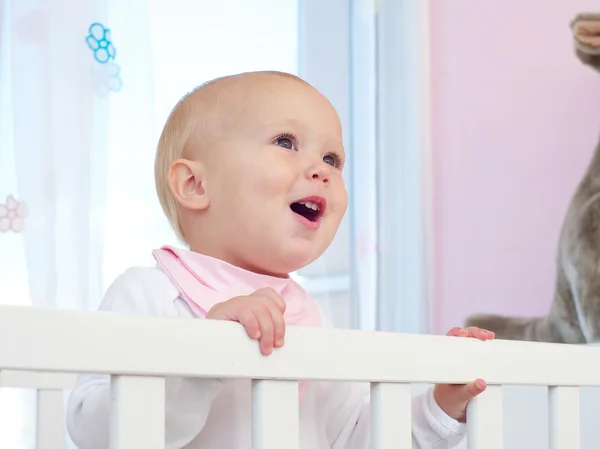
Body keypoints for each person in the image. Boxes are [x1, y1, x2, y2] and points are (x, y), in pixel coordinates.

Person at [66, 71, 495, 449]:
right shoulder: (150, 293)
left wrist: (441, 404)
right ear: (195, 185)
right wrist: (203, 356)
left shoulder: (307, 317)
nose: (322, 170)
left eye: (332, 159)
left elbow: (352, 437)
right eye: (285, 142)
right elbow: (95, 430)